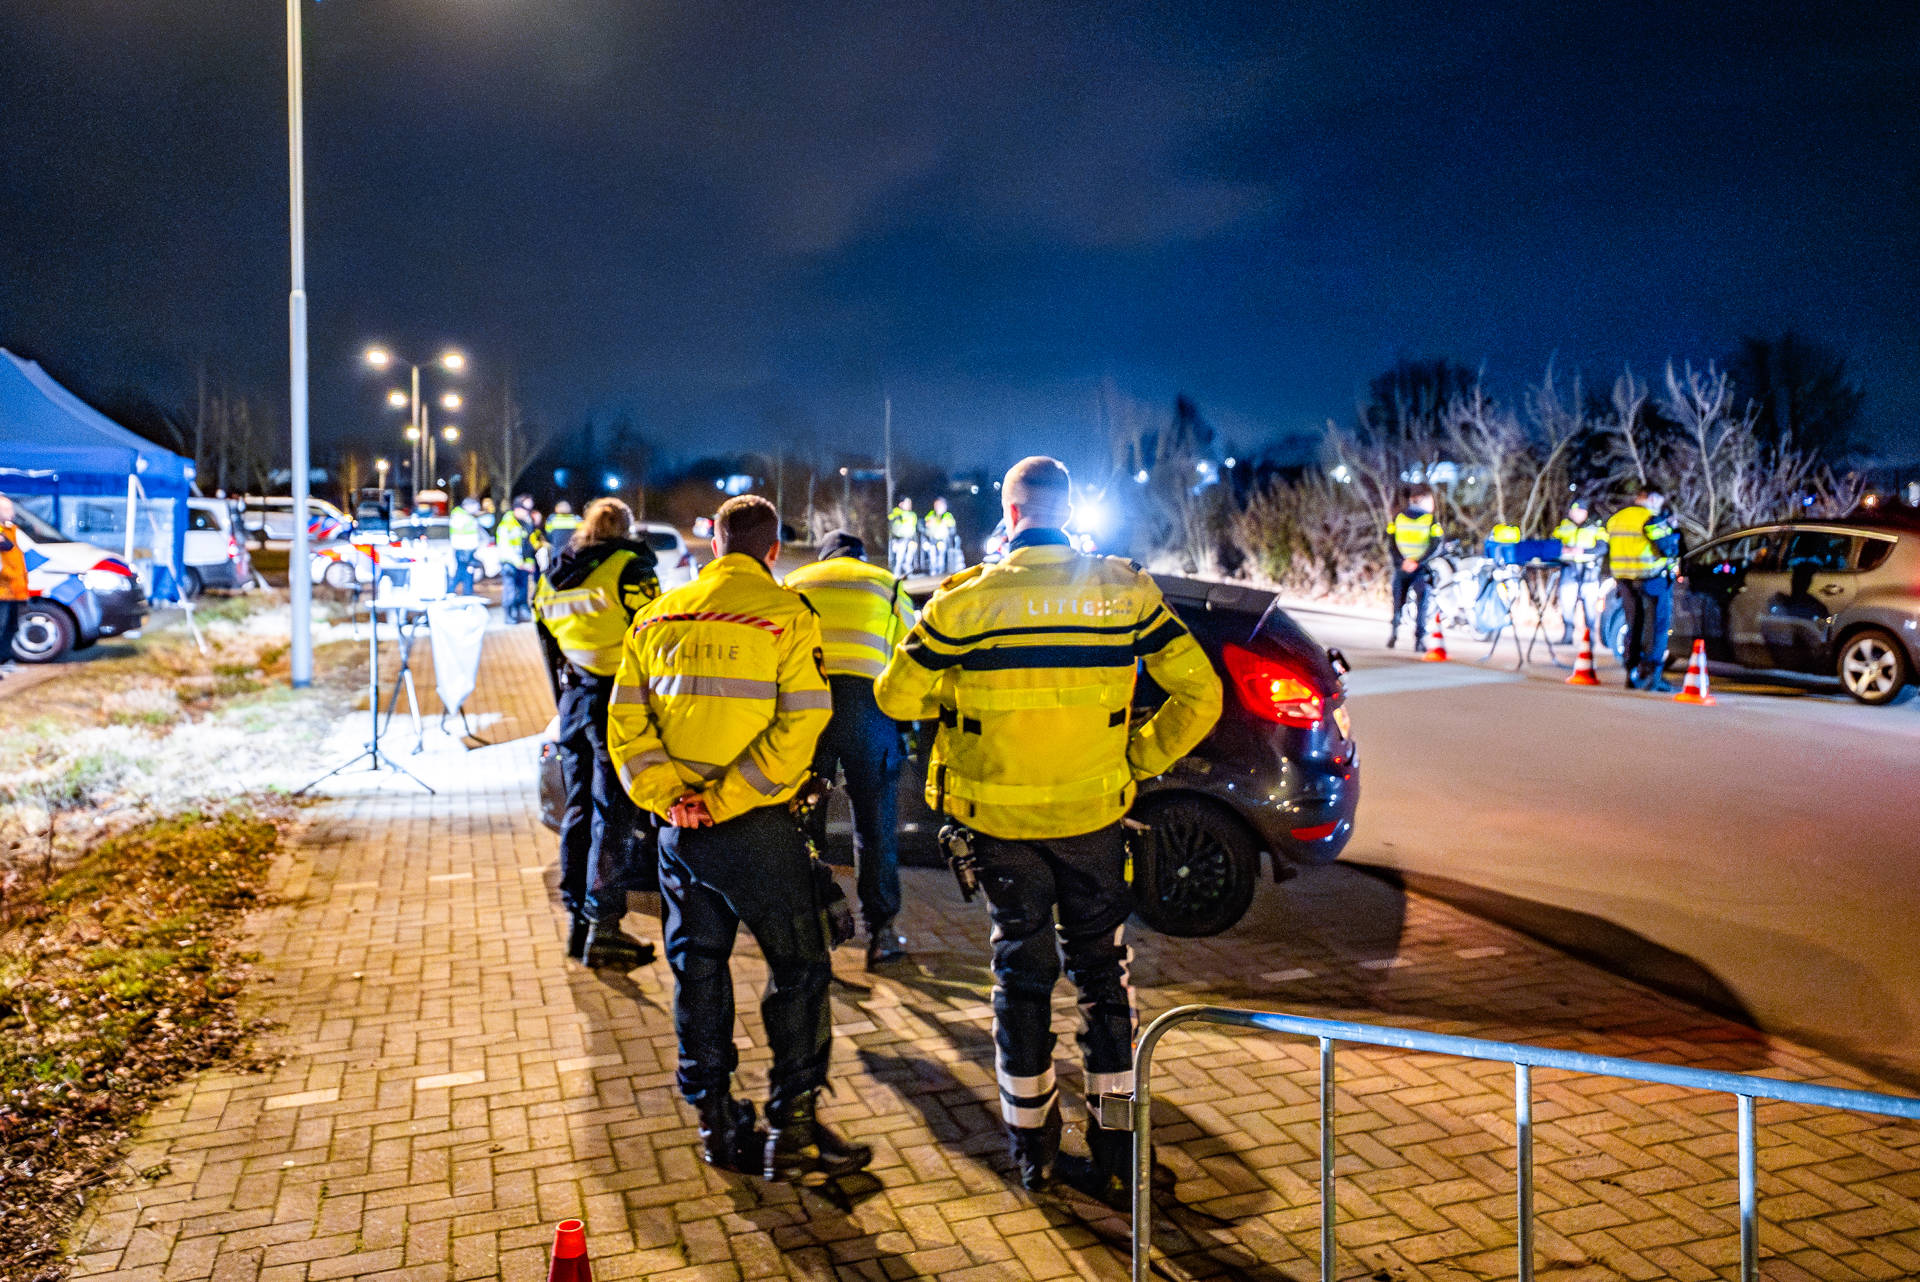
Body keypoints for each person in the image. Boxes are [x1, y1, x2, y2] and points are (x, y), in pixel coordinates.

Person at [874, 456, 1222, 1203]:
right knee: (1104, 981)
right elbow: (1201, 693)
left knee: (1020, 983)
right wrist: (1138, 755)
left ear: (1009, 514)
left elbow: (898, 698)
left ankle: (1032, 1152)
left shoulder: (964, 602)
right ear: (1069, 508)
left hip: (999, 828)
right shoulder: (1122, 591)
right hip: (1093, 819)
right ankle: (1119, 1151)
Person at [607, 495, 871, 1182]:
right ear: (774, 549)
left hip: (680, 836)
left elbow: (626, 729)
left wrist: (674, 799)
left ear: (715, 543)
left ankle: (717, 1124)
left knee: (698, 973)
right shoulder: (786, 616)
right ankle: (795, 1130)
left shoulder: (654, 616)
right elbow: (802, 725)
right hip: (757, 829)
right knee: (801, 970)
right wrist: (726, 800)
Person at [534, 497, 661, 971]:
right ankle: (605, 926)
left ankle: (579, 923)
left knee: (579, 808)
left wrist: (562, 701)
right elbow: (654, 630)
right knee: (614, 812)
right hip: (618, 699)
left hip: (575, 699)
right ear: (626, 527)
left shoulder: (554, 573)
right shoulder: (629, 567)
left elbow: (547, 641)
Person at [782, 530, 916, 967]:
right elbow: (911, 655)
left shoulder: (796, 583)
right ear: (860, 556)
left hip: (810, 713)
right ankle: (882, 934)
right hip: (869, 712)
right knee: (874, 828)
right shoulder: (887, 584)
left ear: (824, 556)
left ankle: (809, 928)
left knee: (803, 824)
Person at [1606, 489, 1682, 691]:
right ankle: (1653, 676)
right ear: (1650, 498)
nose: (1659, 503)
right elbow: (1669, 548)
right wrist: (1671, 530)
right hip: (1651, 579)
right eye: (1658, 499)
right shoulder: (1650, 518)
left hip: (1624, 581)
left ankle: (1632, 674)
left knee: (1635, 626)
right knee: (1657, 627)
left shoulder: (1616, 519)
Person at [1385, 488, 1444, 650]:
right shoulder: (1431, 521)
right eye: (1430, 501)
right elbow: (1436, 545)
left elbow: (1390, 542)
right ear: (1421, 499)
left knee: (1398, 602)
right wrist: (1418, 561)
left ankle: (1394, 634)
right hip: (1420, 568)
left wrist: (1402, 561)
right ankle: (1419, 641)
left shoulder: (1397, 517)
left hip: (1401, 567)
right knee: (1422, 603)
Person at [1551, 500, 1609, 643]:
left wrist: (1582, 550)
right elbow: (1551, 544)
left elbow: (1603, 547)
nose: (1574, 513)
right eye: (1572, 510)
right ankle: (1568, 636)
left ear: (1585, 512)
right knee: (1567, 604)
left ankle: (1590, 638)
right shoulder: (1563, 526)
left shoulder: (1596, 527)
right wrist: (1561, 549)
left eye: (1578, 510)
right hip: (1569, 569)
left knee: (1590, 606)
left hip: (1589, 571)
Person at [496, 496, 536, 622]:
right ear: (517, 509)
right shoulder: (506, 524)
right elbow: (505, 548)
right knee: (510, 591)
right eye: (525, 509)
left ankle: (521, 612)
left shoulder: (526, 524)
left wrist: (529, 563)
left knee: (523, 590)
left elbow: (529, 546)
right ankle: (509, 615)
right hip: (510, 564)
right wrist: (519, 563)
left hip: (523, 565)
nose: (527, 512)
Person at [0, 496, 26, 674]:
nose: (13, 513)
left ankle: (5, 660)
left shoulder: (11, 530)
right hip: (3, 590)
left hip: (13, 590)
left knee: (11, 627)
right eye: (8, 509)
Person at [449, 497, 483, 595]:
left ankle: (467, 591)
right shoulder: (460, 516)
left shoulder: (466, 516)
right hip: (463, 549)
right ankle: (452, 590)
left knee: (468, 570)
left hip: (468, 548)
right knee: (462, 570)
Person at [922, 496, 960, 575]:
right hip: (932, 539)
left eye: (939, 505)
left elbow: (952, 525)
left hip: (942, 540)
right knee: (932, 557)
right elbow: (926, 523)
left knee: (940, 557)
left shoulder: (947, 515)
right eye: (936, 505)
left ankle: (940, 572)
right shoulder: (931, 514)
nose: (937, 507)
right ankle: (933, 572)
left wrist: (944, 521)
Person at [887, 496, 919, 577]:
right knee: (899, 557)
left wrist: (915, 539)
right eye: (907, 503)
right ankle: (896, 574)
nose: (909, 505)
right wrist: (896, 517)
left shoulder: (912, 515)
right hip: (899, 539)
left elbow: (914, 528)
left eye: (910, 503)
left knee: (909, 557)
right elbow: (889, 519)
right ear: (901, 504)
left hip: (909, 539)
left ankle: (908, 574)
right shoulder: (896, 511)